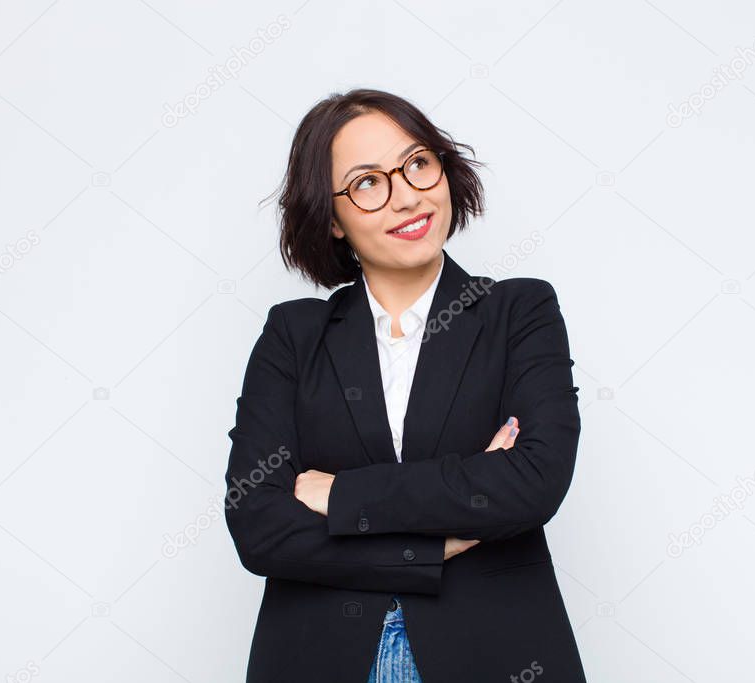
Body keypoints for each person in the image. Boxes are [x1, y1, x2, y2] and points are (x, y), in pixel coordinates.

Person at [224, 87, 586, 682]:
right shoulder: (294, 334)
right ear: (332, 218)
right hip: (319, 656)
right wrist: (433, 546)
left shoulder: (519, 311)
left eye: (418, 163)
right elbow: (258, 526)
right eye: (367, 182)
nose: (407, 195)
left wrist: (338, 495)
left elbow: (531, 482)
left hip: (496, 654)